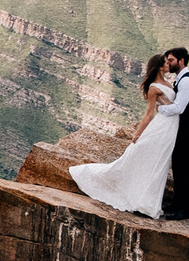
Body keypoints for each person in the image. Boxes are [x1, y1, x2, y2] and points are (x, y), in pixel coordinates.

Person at [69, 53, 180, 217]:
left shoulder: (168, 83)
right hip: (162, 127)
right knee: (154, 161)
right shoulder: (154, 88)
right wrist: (137, 134)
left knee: (160, 163)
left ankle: (147, 200)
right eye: (165, 62)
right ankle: (143, 201)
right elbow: (149, 114)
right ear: (159, 66)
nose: (168, 64)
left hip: (171, 125)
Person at [158, 47, 189, 219]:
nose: (168, 63)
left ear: (181, 61)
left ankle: (185, 207)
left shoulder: (187, 82)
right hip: (184, 129)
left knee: (185, 167)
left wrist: (159, 109)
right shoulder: (181, 79)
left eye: (171, 60)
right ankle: (178, 203)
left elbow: (179, 108)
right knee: (178, 165)